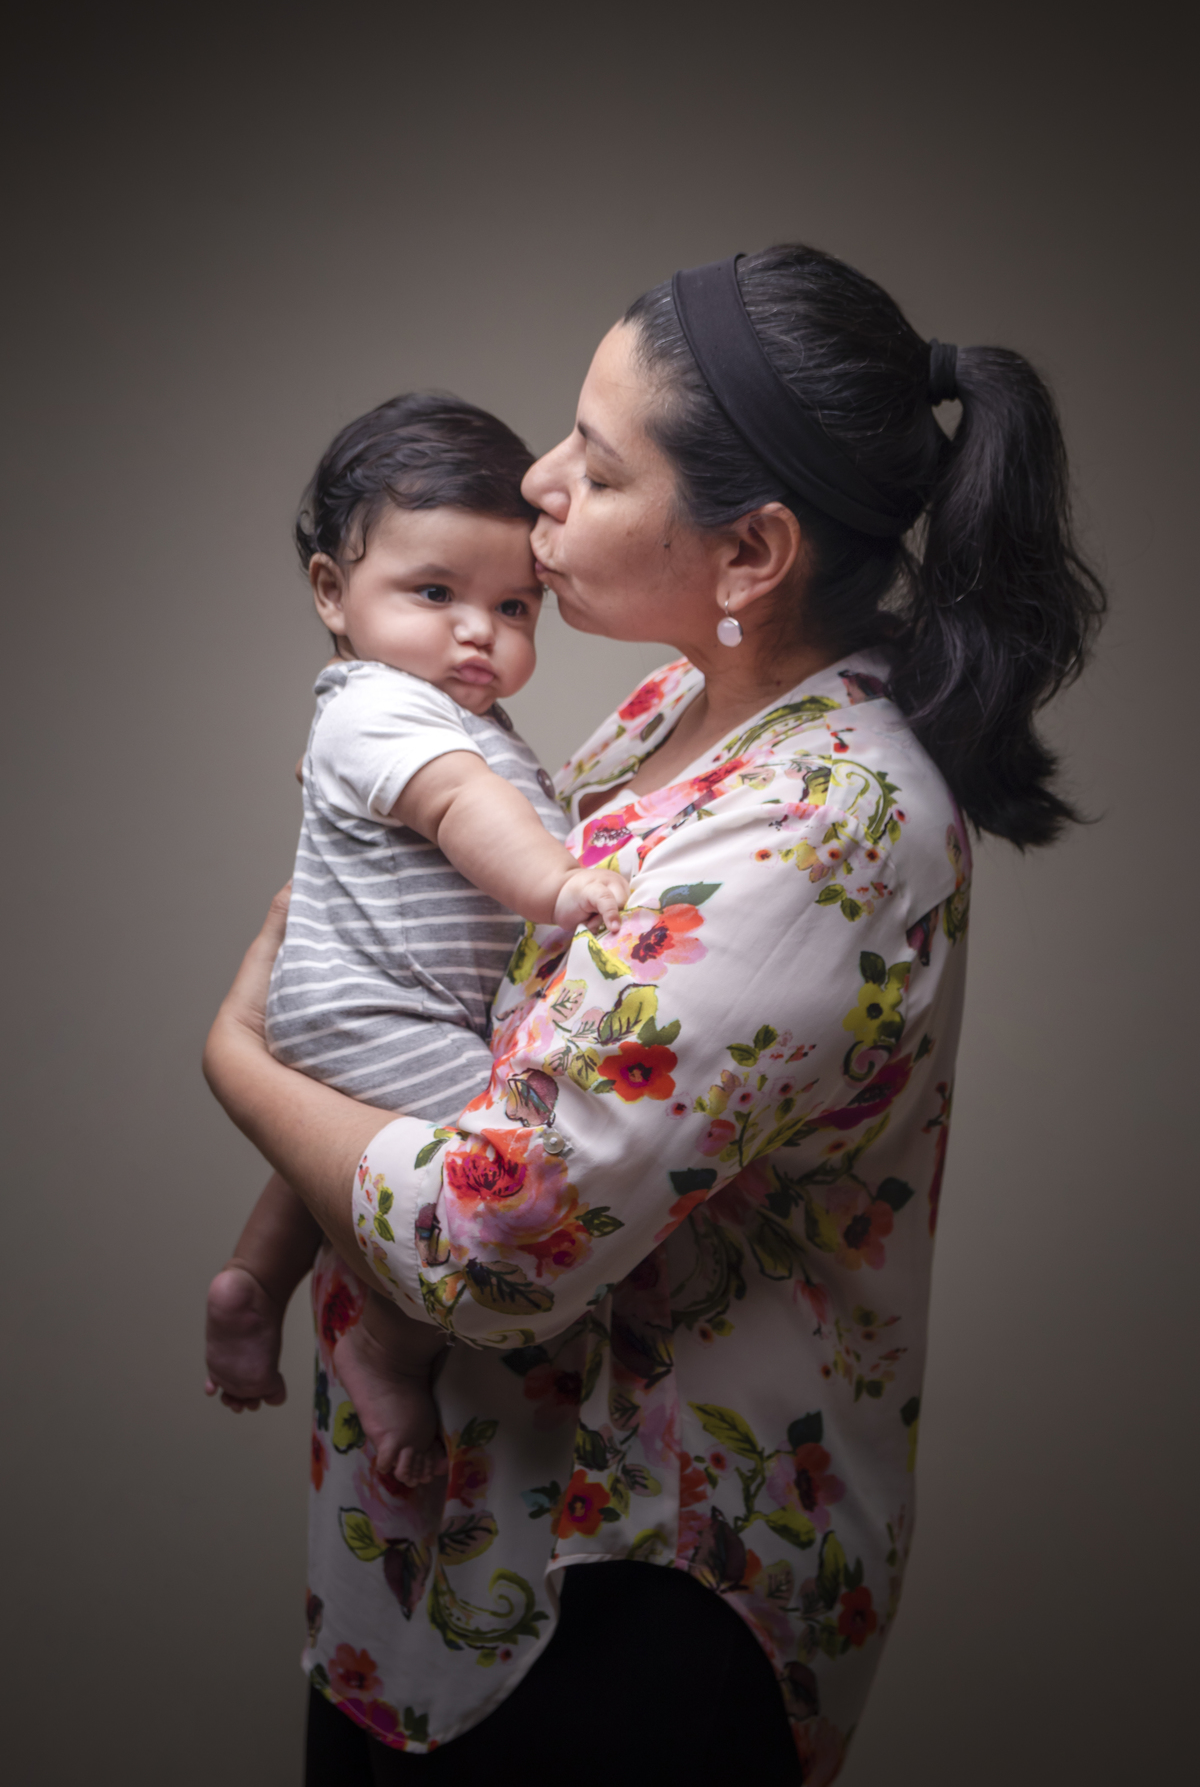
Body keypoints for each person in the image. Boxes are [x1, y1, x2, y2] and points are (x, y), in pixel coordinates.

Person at [203, 244, 1103, 1783]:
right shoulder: (679, 707)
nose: (537, 482)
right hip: (443, 1537)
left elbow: (496, 1242)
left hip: (619, 1583)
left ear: (751, 553)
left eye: (598, 465)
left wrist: (236, 1057)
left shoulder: (822, 829)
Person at [204, 395, 627, 1486]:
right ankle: (387, 1345)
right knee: (471, 1169)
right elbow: (460, 807)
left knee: (345, 1147)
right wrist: (557, 885)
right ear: (331, 593)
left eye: (513, 606)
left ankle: (255, 1276)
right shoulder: (379, 707)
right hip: (378, 1005)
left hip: (372, 1005)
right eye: (435, 593)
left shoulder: (437, 714)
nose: (478, 629)